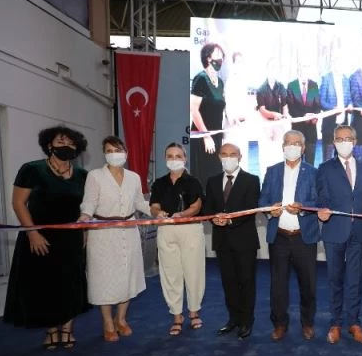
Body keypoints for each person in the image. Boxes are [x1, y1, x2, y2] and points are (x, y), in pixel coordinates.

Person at [3, 126, 90, 349]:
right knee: (45, 285)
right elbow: (18, 203)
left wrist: (84, 233)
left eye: (71, 143)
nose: (66, 147)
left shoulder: (83, 175)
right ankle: (51, 331)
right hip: (40, 237)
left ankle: (67, 330)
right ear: (49, 145)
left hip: (71, 239)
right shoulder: (32, 169)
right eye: (61, 142)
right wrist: (32, 232)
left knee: (70, 285)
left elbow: (86, 208)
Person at [78, 136, 150, 342]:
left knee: (127, 276)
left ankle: (121, 319)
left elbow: (139, 202)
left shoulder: (134, 177)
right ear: (104, 154)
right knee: (105, 279)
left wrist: (157, 211)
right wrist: (84, 216)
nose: (114, 154)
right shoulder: (95, 176)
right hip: (103, 233)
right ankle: (108, 322)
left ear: (126, 152)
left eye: (117, 150)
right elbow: (89, 202)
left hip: (129, 231)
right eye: (109, 151)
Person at [259, 130, 320, 341]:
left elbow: (319, 201)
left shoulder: (313, 172)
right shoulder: (272, 171)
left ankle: (307, 323)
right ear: (282, 146)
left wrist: (303, 208)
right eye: (288, 143)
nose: (292, 146)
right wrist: (269, 210)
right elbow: (263, 199)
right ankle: (279, 323)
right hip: (279, 237)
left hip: (304, 237)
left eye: (296, 143)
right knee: (278, 285)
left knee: (308, 284)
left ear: (303, 148)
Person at [317, 125, 362, 344]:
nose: (343, 142)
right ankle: (336, 323)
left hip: (359, 232)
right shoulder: (325, 168)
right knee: (335, 279)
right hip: (334, 231)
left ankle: (354, 322)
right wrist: (322, 209)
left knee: (355, 280)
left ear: (355, 142)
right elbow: (321, 196)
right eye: (339, 139)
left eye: (348, 138)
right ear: (333, 142)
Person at [204, 143, 261, 340]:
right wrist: (214, 218)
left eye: (233, 154)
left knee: (246, 282)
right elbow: (208, 208)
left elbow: (251, 208)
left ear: (240, 156)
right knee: (228, 282)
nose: (228, 157)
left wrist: (229, 220)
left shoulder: (252, 180)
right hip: (222, 241)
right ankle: (233, 318)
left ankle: (247, 320)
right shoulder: (212, 181)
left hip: (245, 241)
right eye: (225, 154)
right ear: (219, 157)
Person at [149, 143, 206, 336]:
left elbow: (196, 207)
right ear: (165, 159)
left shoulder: (193, 181)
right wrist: (158, 213)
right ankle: (176, 315)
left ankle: (194, 311)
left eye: (178, 156)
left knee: (193, 271)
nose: (174, 160)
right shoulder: (159, 183)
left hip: (190, 229)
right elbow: (154, 206)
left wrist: (181, 215)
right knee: (170, 273)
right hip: (166, 230)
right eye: (170, 156)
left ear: (185, 159)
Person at [190, 42, 227, 181]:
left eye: (222, 55)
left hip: (216, 136)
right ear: (208, 58)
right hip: (203, 137)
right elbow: (194, 110)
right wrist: (205, 136)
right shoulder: (200, 79)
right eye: (217, 54)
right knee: (203, 178)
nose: (220, 58)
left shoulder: (220, 82)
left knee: (216, 177)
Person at [256, 58, 291, 177]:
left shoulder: (281, 87)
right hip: (265, 126)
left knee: (278, 156)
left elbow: (285, 106)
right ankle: (265, 181)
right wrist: (273, 115)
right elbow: (262, 110)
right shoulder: (261, 89)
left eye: (275, 67)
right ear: (267, 69)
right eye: (271, 67)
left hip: (279, 126)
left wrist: (285, 118)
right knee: (266, 158)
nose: (273, 70)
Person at [286, 64, 321, 166]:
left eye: (307, 70)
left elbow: (317, 105)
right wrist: (304, 116)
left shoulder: (314, 85)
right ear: (299, 71)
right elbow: (291, 108)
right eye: (303, 70)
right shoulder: (292, 85)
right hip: (297, 130)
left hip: (311, 130)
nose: (306, 72)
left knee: (310, 163)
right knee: (297, 163)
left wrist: (314, 116)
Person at [319, 57, 351, 162]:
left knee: (341, 157)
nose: (340, 66)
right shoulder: (326, 78)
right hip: (329, 125)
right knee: (327, 158)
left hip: (343, 124)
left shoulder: (346, 79)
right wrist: (333, 109)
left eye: (342, 64)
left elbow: (349, 98)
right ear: (334, 64)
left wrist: (350, 104)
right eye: (338, 63)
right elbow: (321, 101)